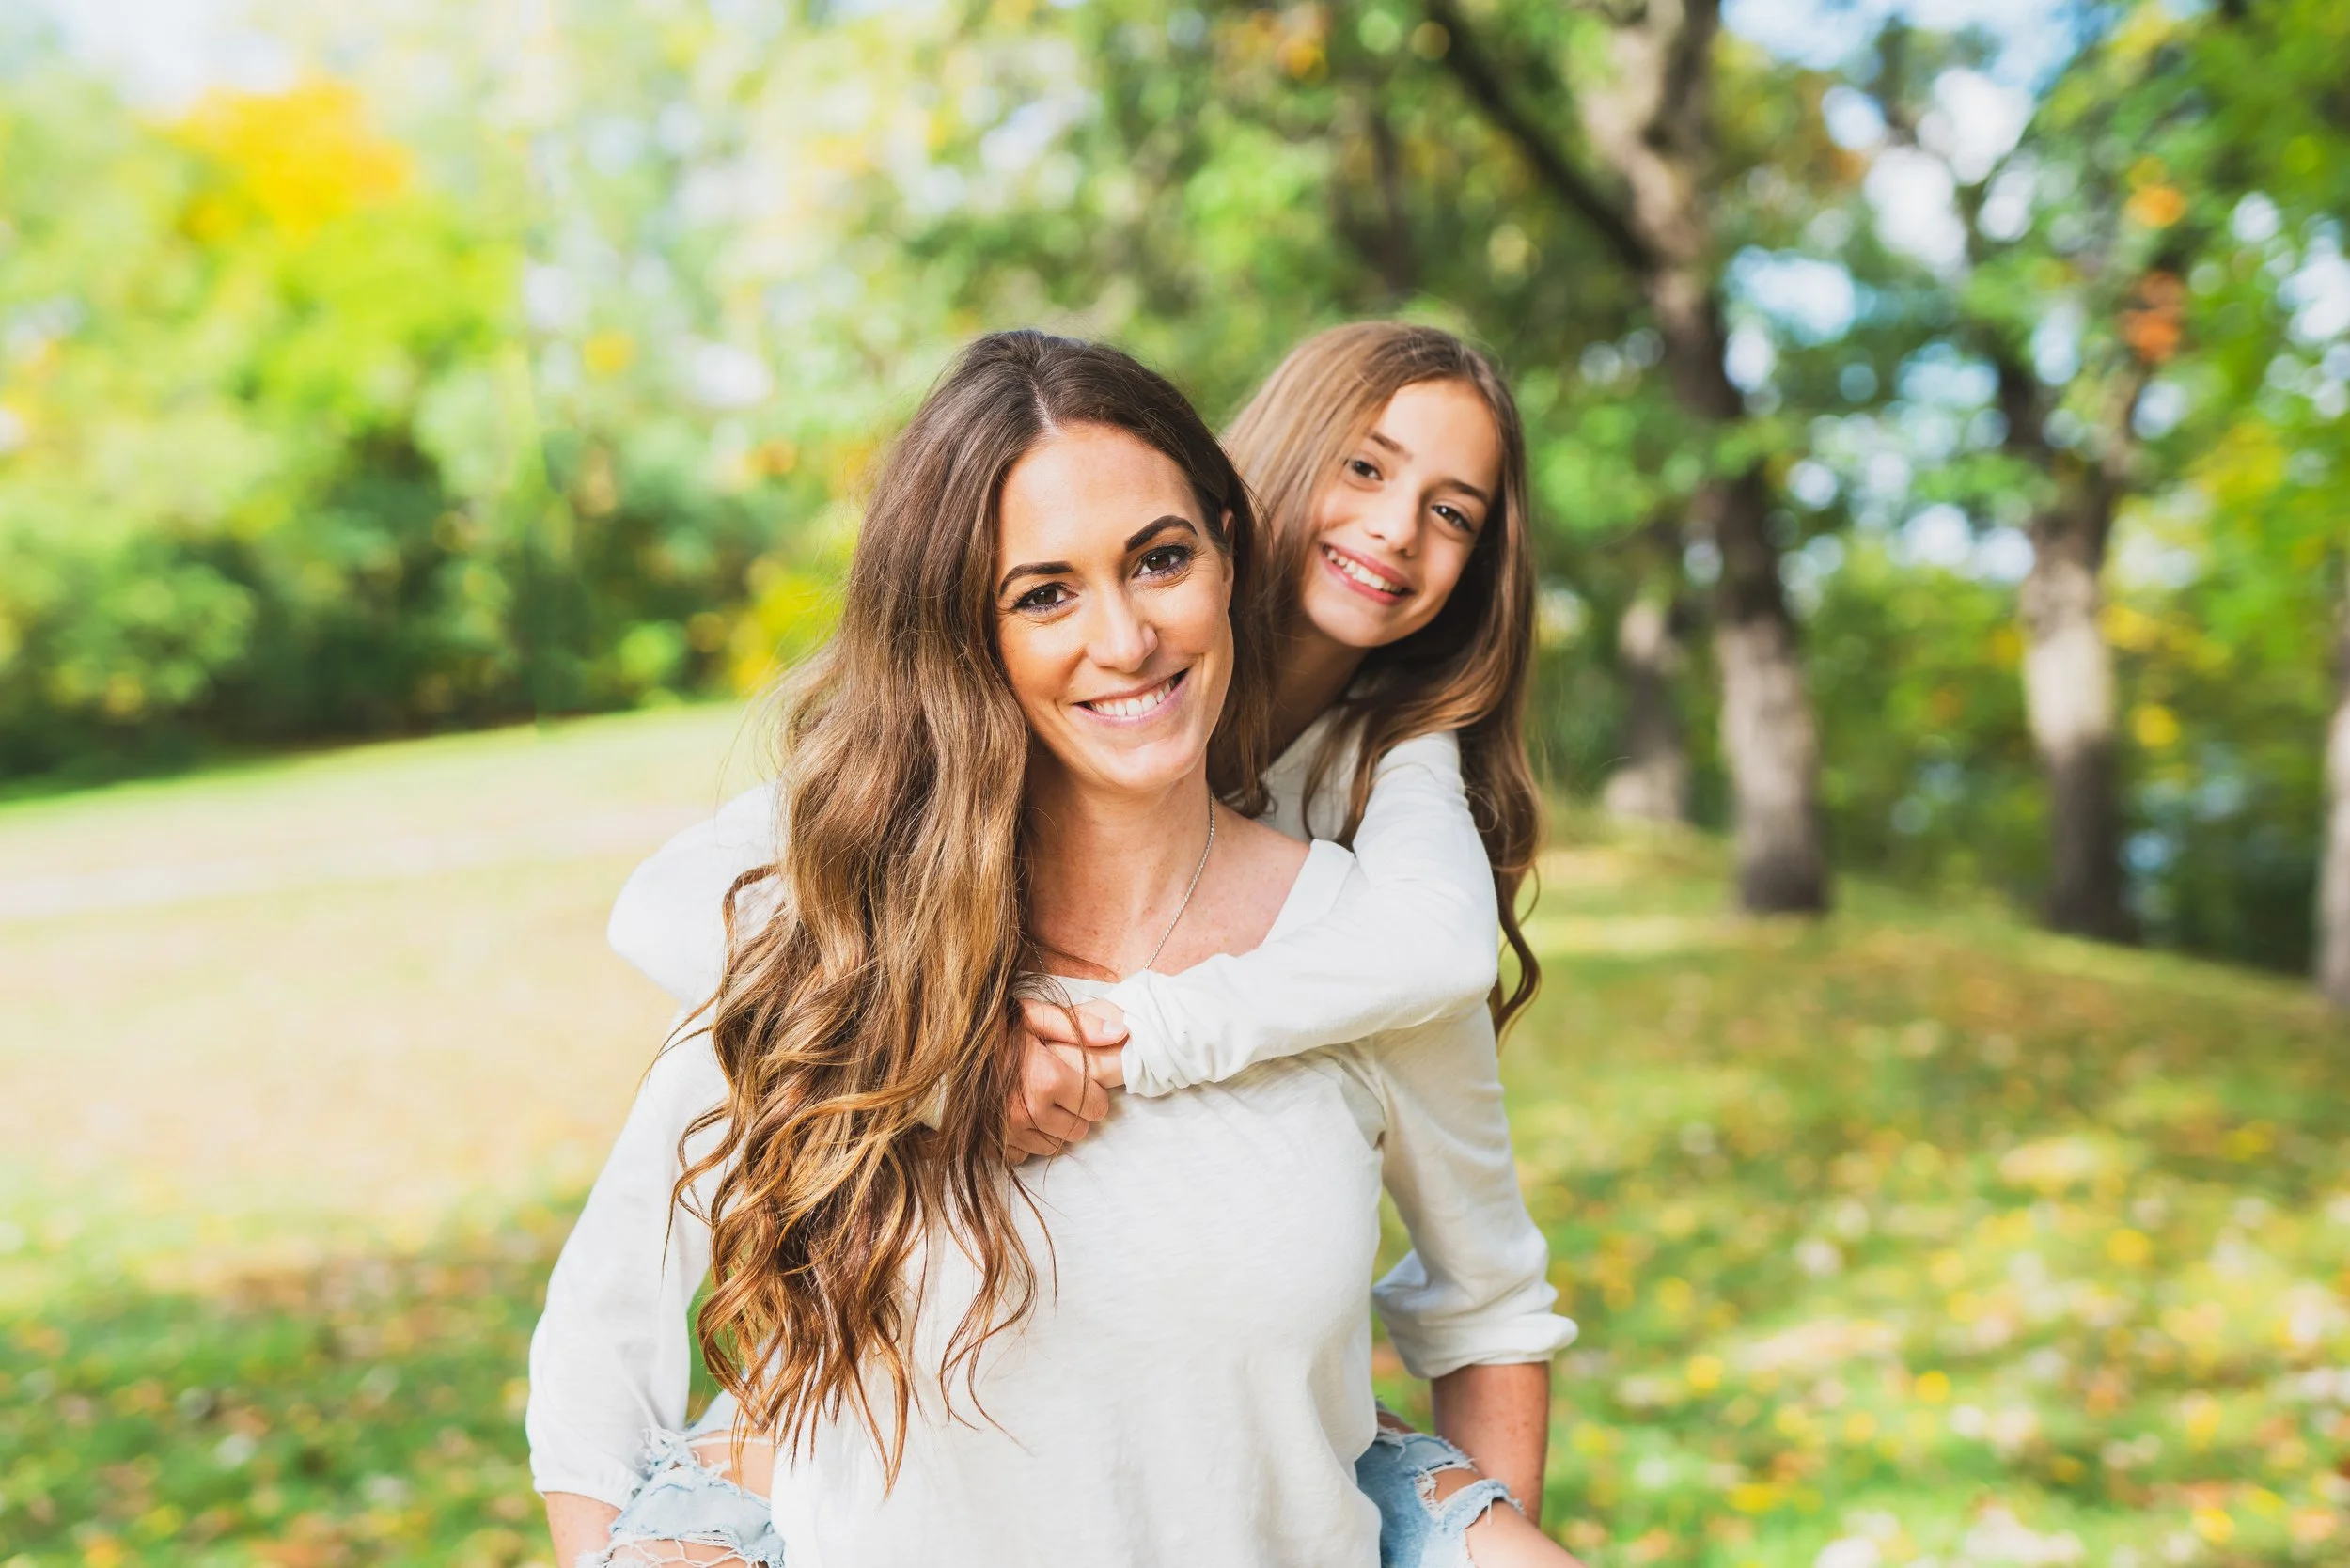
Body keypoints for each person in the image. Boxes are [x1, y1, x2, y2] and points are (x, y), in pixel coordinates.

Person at [532, 327, 1576, 1565]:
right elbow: (610, 1325)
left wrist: (1141, 1033)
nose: (1127, 638)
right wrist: (944, 1037)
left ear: (1219, 551)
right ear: (967, 633)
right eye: (1045, 591)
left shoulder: (1385, 845)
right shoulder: (833, 918)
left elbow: (1452, 1007)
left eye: (1159, 560)